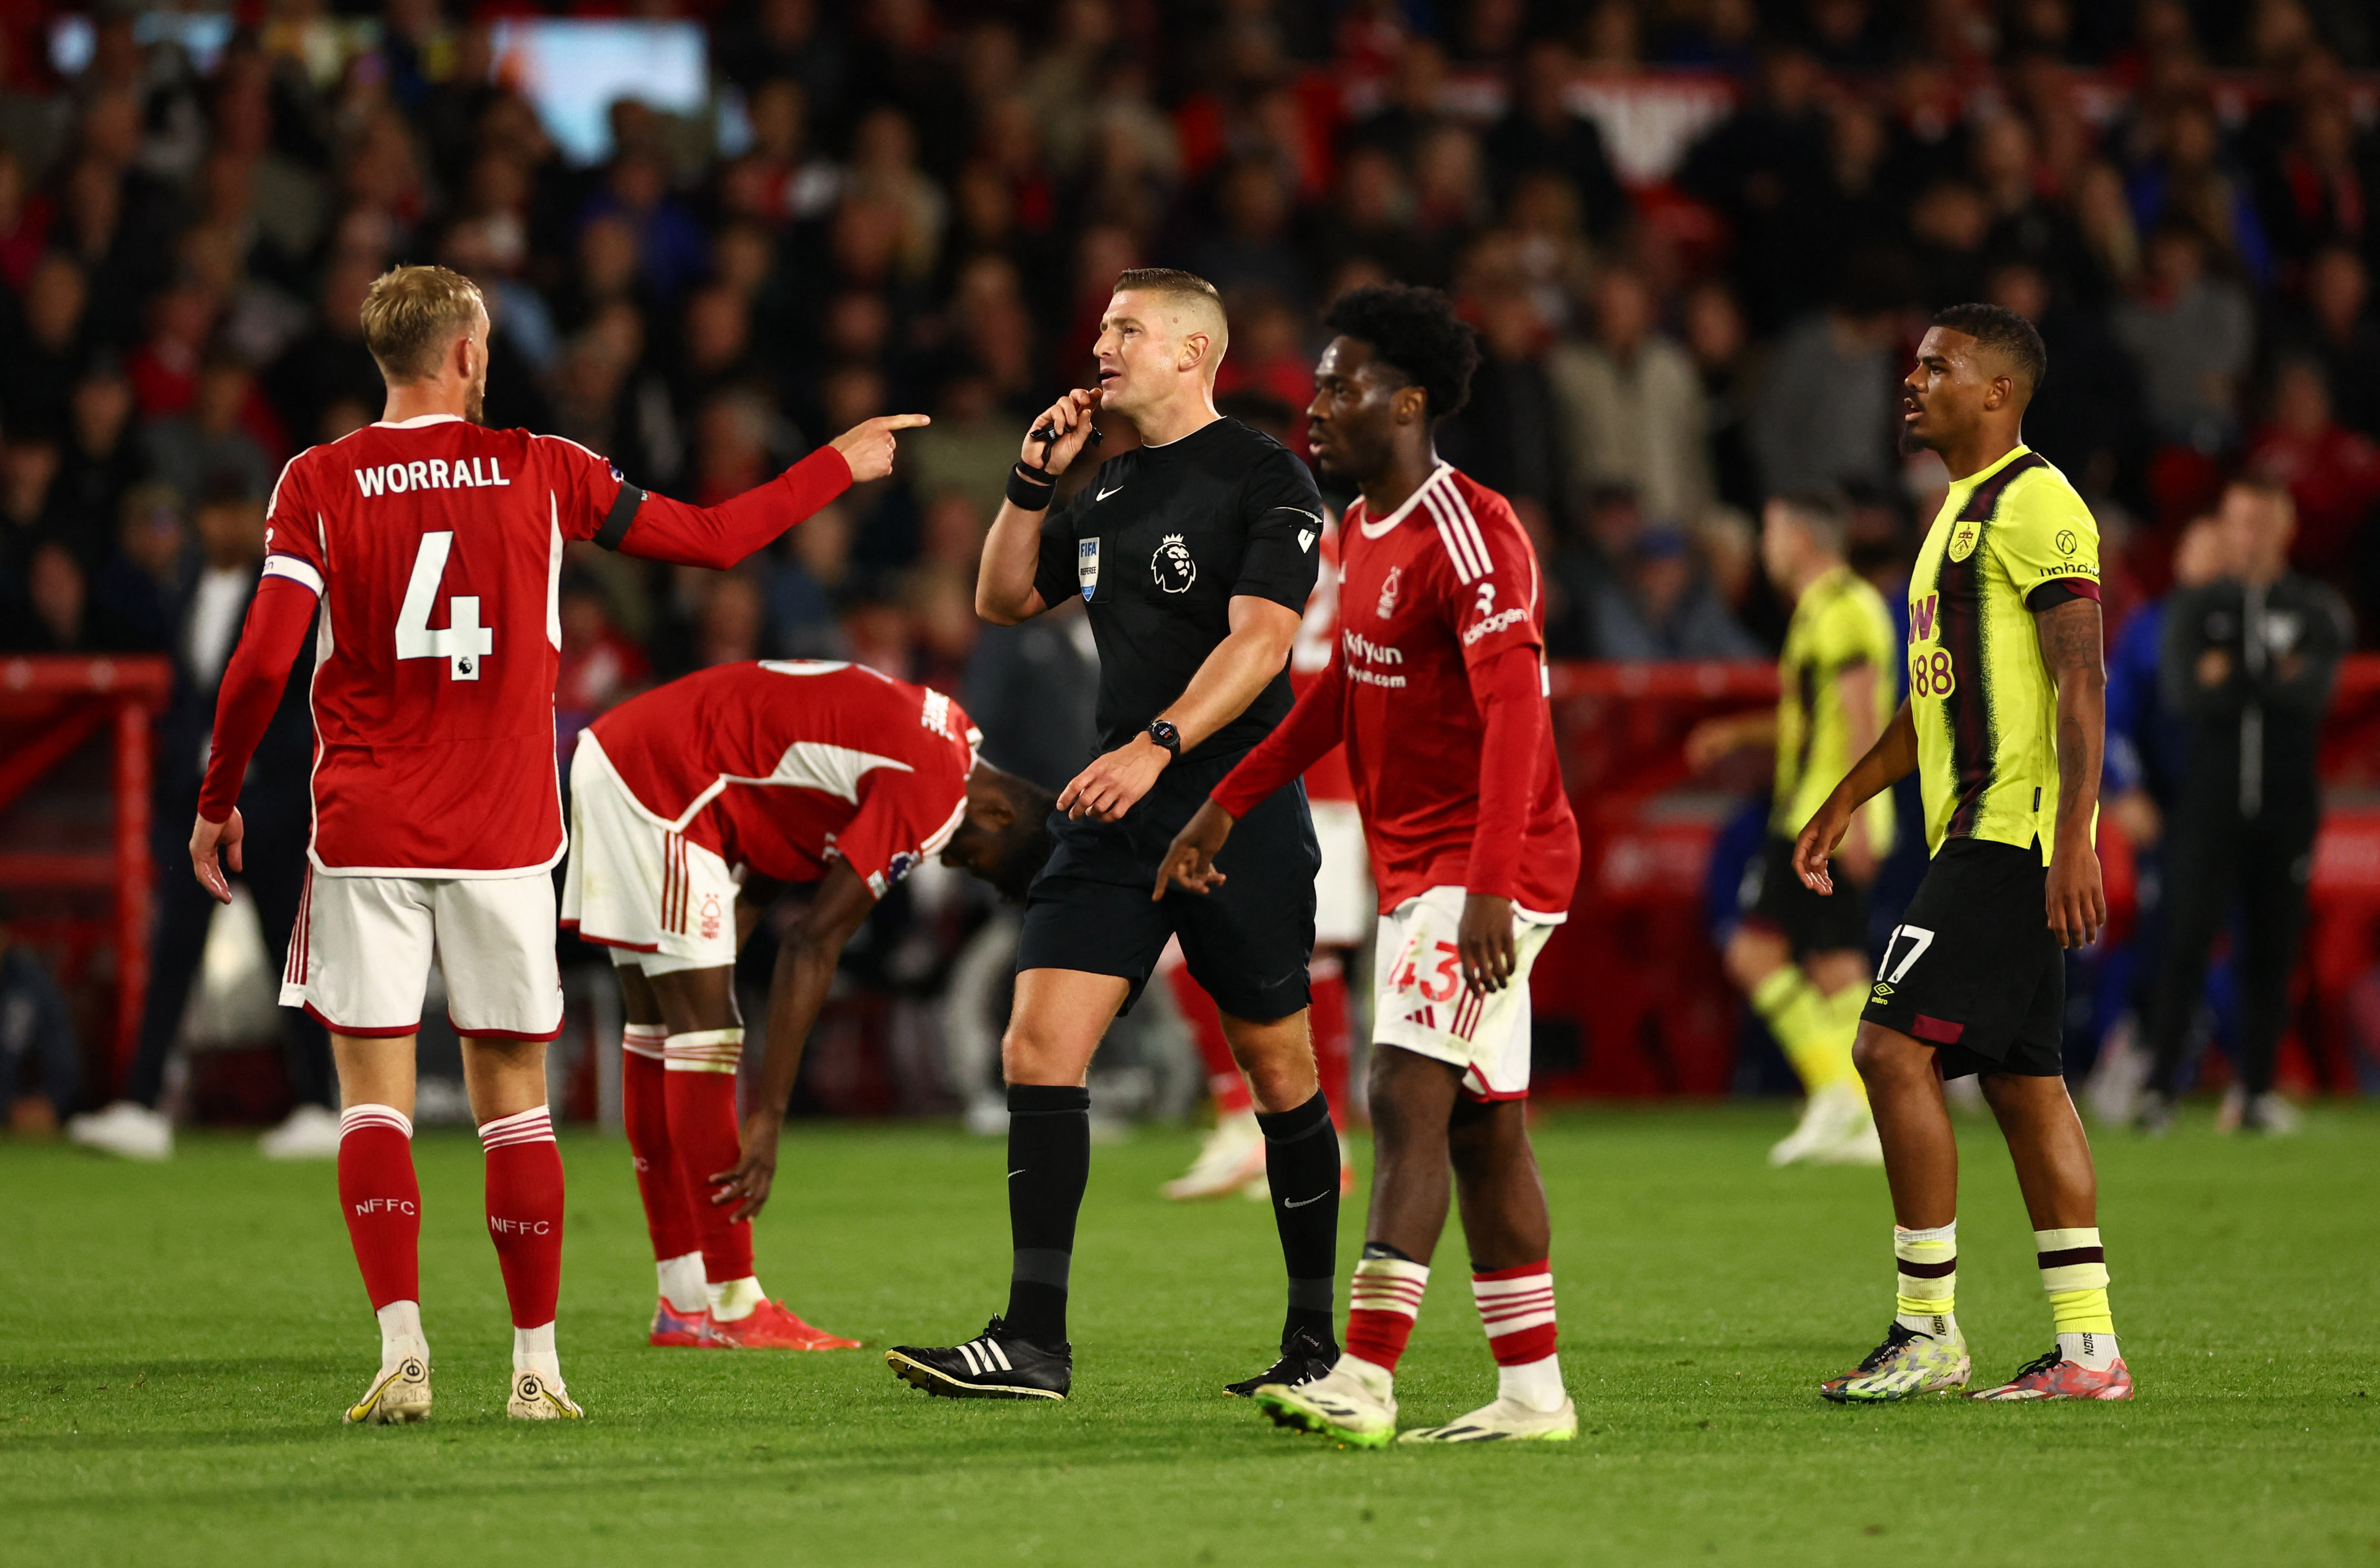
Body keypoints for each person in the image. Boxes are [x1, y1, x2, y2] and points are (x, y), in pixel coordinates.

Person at [186, 264, 927, 1425]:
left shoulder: (315, 480)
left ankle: (404, 1350)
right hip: (503, 829)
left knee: (374, 1102)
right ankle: (537, 1367)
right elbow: (716, 538)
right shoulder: (543, 466)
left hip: (369, 825)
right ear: (469, 353)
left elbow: (263, 663)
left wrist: (217, 791)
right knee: (515, 1105)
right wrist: (838, 461)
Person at [884, 269, 1333, 1402]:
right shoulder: (1111, 485)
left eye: (1126, 329)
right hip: (1113, 813)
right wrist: (1030, 484)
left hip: (1232, 809)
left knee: (1279, 1068)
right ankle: (1032, 1340)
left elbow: (1264, 641)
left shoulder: (1264, 475)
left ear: (1193, 352)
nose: (1102, 344)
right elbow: (999, 597)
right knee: (1037, 1046)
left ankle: (1316, 1341)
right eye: (1098, 327)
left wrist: (1160, 744)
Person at [1159, 283, 1583, 1445]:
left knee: (1402, 1091)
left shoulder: (1471, 527)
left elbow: (1514, 717)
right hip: (1425, 865)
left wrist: (1490, 880)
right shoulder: (1359, 530)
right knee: (1481, 1126)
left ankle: (1365, 1375)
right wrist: (1225, 805)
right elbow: (1337, 692)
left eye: (1340, 386)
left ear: (1406, 403)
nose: (1317, 406)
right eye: (1316, 384)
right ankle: (1531, 1394)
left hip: (1483, 863)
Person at [1793, 303, 2132, 1403]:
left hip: (2009, 833)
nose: (1911, 380)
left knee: (1889, 1049)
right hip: (1980, 826)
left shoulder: (2037, 505)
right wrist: (1845, 792)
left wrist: (2073, 836)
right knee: (2025, 1082)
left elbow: (2079, 678)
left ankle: (1926, 1326)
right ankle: (2088, 1353)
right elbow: (1933, 700)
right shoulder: (1953, 516)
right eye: (1912, 363)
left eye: (1936, 366)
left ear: (1997, 392)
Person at [562, 659, 1058, 1349]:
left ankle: (682, 1302)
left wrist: (728, 925)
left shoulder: (948, 729)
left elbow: (788, 799)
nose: (950, 861)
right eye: (975, 858)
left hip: (635, 754)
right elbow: (812, 944)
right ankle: (733, 1304)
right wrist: (768, 1117)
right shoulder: (936, 793)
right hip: (665, 784)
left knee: (660, 1025)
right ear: (997, 813)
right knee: (704, 1031)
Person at [69, 476, 339, 1164]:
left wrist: (275, 803)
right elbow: (190, 699)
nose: (220, 525)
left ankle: (324, 1104)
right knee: (173, 958)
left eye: (232, 510)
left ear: (255, 516)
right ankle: (142, 1104)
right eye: (210, 511)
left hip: (267, 809)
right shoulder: (187, 589)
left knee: (292, 958)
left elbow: (294, 701)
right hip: (204, 808)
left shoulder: (286, 591)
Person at [1688, 493, 1897, 1166]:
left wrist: (1858, 817)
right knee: (1811, 961)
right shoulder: (1820, 608)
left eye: (1773, 528)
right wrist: (1738, 733)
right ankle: (1850, 1101)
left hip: (1828, 815)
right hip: (1807, 813)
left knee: (1793, 960)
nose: (1766, 543)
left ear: (1804, 536)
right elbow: (1810, 719)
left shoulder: (1842, 610)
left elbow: (1864, 718)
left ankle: (1856, 1099)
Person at [2137, 479, 2350, 1135]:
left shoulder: (2313, 607)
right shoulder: (2196, 608)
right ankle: (2158, 1089)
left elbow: (2311, 692)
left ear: (2283, 527)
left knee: (2272, 950)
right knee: (2185, 943)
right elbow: (2186, 694)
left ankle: (2254, 1090)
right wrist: (2268, 673)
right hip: (2206, 806)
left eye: (2258, 522)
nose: (2246, 535)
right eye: (2235, 522)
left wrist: (2231, 671)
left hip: (2285, 808)